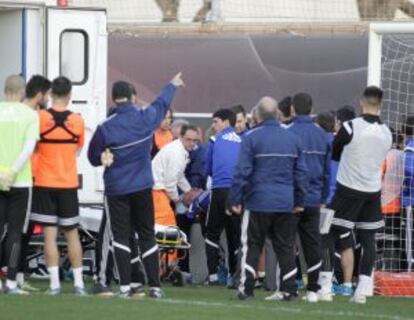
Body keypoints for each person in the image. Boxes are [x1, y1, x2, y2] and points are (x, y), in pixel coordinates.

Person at [88, 73, 184, 298]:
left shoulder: (105, 126)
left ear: (113, 99)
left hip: (117, 189)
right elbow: (161, 104)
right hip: (142, 186)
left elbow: (93, 157)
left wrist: (103, 156)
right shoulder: (145, 117)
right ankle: (155, 287)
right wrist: (172, 85)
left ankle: (124, 287)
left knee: (120, 237)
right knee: (147, 235)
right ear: (133, 97)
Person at [228, 97, 307, 301]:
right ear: (278, 114)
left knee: (252, 245)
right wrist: (299, 201)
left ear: (258, 115)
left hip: (258, 202)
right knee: (285, 246)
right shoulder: (293, 139)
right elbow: (301, 174)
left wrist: (234, 199)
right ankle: (289, 289)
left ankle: (246, 289)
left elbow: (242, 171)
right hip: (285, 202)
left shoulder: (251, 137)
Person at [320, 86, 392, 304]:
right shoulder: (387, 133)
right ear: (381, 104)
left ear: (362, 101)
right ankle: (360, 290)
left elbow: (335, 152)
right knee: (368, 238)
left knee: (326, 232)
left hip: (347, 189)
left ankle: (324, 287)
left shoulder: (351, 127)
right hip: (372, 191)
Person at [30, 76, 86, 296]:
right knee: (72, 234)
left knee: (49, 236)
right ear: (70, 95)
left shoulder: (39, 118)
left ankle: (54, 285)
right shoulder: (78, 121)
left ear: (51, 94)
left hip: (44, 182)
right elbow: (78, 150)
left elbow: (32, 147)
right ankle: (79, 284)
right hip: (68, 183)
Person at [286, 93, 331, 303]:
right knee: (313, 245)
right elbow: (326, 171)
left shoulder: (288, 132)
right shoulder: (322, 135)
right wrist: (323, 197)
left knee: (286, 243)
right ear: (312, 108)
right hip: (314, 199)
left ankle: (288, 288)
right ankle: (313, 290)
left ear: (293, 109)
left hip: (292, 198)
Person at [0, 75, 38, 295]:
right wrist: (13, 171)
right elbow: (28, 147)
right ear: (23, 92)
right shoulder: (29, 115)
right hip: (20, 181)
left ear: (5, 90)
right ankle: (12, 282)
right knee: (15, 232)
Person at [16, 75, 51, 292]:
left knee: (21, 231)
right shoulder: (32, 116)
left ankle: (16, 275)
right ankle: (13, 276)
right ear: (40, 94)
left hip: (23, 178)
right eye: (46, 94)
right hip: (26, 179)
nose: (47, 98)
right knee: (20, 231)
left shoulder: (23, 113)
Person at [204, 108, 242, 286]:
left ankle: (212, 276)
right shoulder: (243, 140)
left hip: (220, 190)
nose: (213, 126)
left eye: (215, 121)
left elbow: (208, 169)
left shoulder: (214, 140)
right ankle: (234, 276)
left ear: (226, 122)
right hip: (237, 192)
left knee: (212, 233)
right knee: (235, 235)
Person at [152, 124, 199, 227]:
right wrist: (178, 200)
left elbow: (179, 175)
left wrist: (188, 190)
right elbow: (170, 183)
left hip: (158, 190)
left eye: (195, 140)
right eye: (189, 139)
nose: (192, 143)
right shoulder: (177, 153)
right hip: (157, 191)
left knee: (165, 225)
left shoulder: (179, 149)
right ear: (180, 137)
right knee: (166, 226)